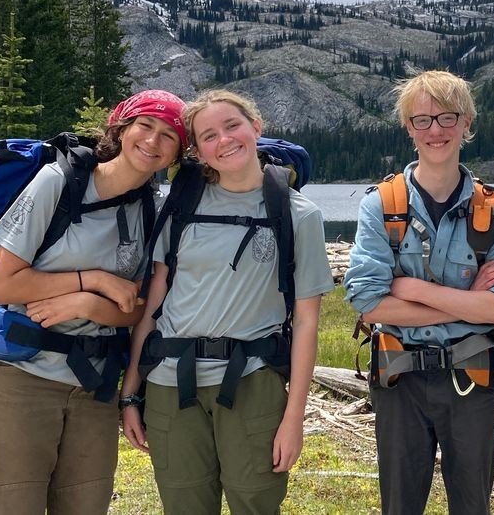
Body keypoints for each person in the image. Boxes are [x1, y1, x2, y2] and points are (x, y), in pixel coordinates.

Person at [0, 89, 187, 513]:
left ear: (178, 153)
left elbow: (138, 308)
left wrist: (86, 306)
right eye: (145, 126)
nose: (153, 141)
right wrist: (92, 281)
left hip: (95, 384)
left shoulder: (151, 210)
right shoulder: (59, 183)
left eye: (169, 136)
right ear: (121, 129)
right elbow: (1, 286)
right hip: (22, 375)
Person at [119, 89, 333, 515]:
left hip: (252, 382)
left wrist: (294, 419)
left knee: (256, 504)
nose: (225, 140)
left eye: (232, 126)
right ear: (197, 151)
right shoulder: (180, 206)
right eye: (209, 135)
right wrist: (130, 392)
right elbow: (153, 306)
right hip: (169, 383)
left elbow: (308, 323)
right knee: (184, 505)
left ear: (255, 127)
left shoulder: (298, 214)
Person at [343, 70, 494, 515]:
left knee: (472, 505)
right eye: (422, 120)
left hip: (473, 379)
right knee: (400, 506)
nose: (436, 131)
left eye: (448, 118)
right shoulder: (381, 204)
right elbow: (369, 304)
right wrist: (467, 304)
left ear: (467, 123)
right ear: (408, 127)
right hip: (399, 378)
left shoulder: (493, 210)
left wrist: (412, 289)